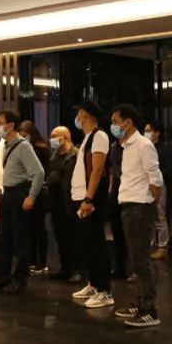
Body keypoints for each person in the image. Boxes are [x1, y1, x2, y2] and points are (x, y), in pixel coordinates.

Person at [110, 105, 164, 328]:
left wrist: (151, 203)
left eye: (115, 121)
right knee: (135, 259)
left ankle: (149, 310)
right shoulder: (125, 146)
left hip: (140, 207)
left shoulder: (143, 144)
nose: (113, 126)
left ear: (128, 122)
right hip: (128, 206)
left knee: (140, 259)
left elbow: (156, 178)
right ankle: (140, 301)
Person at [0, 109, 45, 294]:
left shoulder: (23, 146)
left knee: (20, 239)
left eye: (0, 123)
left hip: (20, 193)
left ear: (11, 125)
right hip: (8, 194)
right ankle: (2, 275)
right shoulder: (5, 145)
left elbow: (39, 173)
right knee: (4, 238)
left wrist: (31, 196)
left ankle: (20, 278)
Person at [67, 101, 115, 309]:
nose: (77, 117)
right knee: (86, 243)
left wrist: (88, 199)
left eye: (79, 113)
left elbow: (97, 170)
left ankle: (105, 291)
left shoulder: (99, 136)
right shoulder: (87, 137)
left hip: (90, 199)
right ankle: (94, 284)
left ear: (85, 114)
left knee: (96, 243)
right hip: (79, 197)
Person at [46, 126, 78, 281]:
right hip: (56, 200)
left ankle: (78, 269)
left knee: (75, 236)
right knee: (60, 235)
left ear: (65, 137)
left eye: (55, 136)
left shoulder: (76, 154)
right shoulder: (53, 156)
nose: (51, 139)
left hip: (71, 200)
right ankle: (65, 267)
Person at [19, 120, 51, 275]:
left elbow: (43, 171)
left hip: (39, 191)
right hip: (26, 190)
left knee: (39, 228)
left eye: (25, 135)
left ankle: (41, 262)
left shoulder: (41, 148)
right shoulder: (24, 148)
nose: (23, 137)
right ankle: (31, 261)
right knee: (28, 228)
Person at [144, 121, 172, 260]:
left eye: (149, 130)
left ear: (157, 133)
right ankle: (152, 245)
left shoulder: (165, 149)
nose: (146, 133)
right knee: (149, 216)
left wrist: (155, 175)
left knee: (160, 215)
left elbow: (171, 169)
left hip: (159, 184)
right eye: (145, 130)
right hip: (145, 185)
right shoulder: (145, 147)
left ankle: (162, 247)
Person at [106, 138, 129, 279]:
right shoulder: (113, 147)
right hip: (116, 191)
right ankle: (119, 267)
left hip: (130, 191)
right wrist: (110, 189)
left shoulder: (134, 145)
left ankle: (132, 269)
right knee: (116, 231)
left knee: (130, 233)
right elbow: (111, 169)